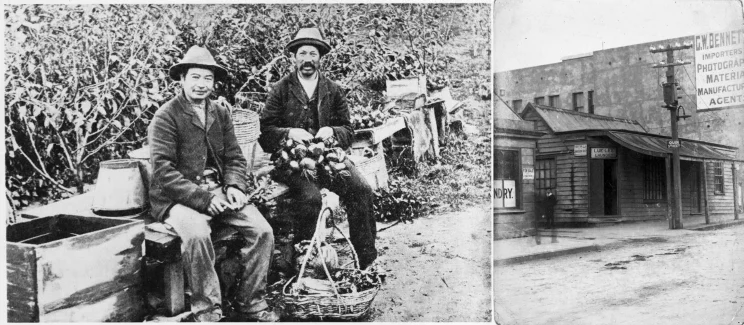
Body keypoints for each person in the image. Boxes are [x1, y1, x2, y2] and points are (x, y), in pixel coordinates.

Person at [148, 46, 279, 322]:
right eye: (195, 77)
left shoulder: (219, 112)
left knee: (262, 231)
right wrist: (204, 200)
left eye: (207, 79)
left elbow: (234, 156)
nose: (201, 85)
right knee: (197, 234)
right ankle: (207, 311)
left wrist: (234, 186)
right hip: (178, 197)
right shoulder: (166, 116)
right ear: (182, 80)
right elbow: (163, 172)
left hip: (218, 190)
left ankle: (250, 301)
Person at [258, 27, 377, 269]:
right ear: (294, 57)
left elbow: (348, 130)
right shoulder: (281, 89)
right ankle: (307, 262)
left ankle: (367, 262)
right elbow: (266, 133)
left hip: (328, 160)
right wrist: (289, 133)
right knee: (310, 198)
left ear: (320, 57)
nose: (307, 59)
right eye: (302, 53)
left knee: (362, 190)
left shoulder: (332, 89)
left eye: (313, 53)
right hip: (292, 163)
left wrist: (332, 131)